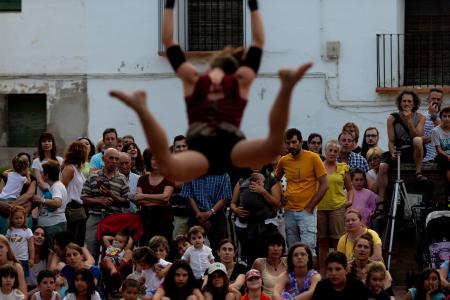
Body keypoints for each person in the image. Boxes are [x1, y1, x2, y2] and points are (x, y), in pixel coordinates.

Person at [111, 0, 313, 182]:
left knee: (271, 149)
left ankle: (141, 109)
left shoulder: (210, 80)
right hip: (218, 146)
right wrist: (253, 7)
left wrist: (170, 6)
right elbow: (259, 41)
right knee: (271, 148)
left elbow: (169, 40)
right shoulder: (224, 81)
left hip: (216, 145)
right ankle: (141, 108)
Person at [275, 128, 328, 253]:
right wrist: (281, 195)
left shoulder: (313, 158)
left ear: (300, 142)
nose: (291, 146)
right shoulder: (284, 160)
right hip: (289, 211)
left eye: (294, 142)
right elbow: (275, 180)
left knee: (308, 250)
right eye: (288, 143)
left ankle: (310, 273)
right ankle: (294, 273)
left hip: (307, 211)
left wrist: (311, 206)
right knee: (292, 250)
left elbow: (325, 185)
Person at [81, 147, 130, 259]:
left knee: (112, 252)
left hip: (114, 219)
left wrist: (112, 196)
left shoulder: (122, 178)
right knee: (90, 249)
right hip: (95, 217)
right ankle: (91, 273)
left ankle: (108, 271)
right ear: (103, 159)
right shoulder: (93, 176)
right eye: (111, 158)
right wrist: (100, 201)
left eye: (116, 159)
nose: (114, 161)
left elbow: (127, 202)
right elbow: (84, 198)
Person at [230, 165, 281, 265]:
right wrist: (236, 210)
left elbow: (277, 203)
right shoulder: (242, 180)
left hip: (266, 226)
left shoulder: (271, 179)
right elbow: (233, 203)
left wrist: (263, 191)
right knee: (248, 256)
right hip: (246, 226)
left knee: (266, 255)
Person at [317, 140, 353, 275]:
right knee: (322, 242)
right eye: (330, 150)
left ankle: (338, 270)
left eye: (335, 151)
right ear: (325, 152)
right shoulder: (318, 166)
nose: (332, 153)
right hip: (320, 207)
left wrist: (349, 201)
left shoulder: (343, 167)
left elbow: (350, 189)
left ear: (338, 153)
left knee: (337, 240)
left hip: (338, 207)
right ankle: (323, 273)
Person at [379, 89, 427, 184]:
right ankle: (382, 197)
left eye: (409, 101)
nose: (406, 103)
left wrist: (409, 120)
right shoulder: (392, 118)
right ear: (400, 103)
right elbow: (391, 141)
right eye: (404, 101)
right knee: (382, 166)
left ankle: (418, 172)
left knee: (417, 140)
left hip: (415, 150)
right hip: (399, 150)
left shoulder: (421, 117)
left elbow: (417, 136)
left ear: (414, 104)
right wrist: (392, 152)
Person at [182, 172, 232, 254]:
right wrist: (198, 214)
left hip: (217, 214)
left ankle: (218, 266)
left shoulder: (223, 174)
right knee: (193, 249)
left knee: (220, 248)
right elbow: (188, 195)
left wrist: (210, 213)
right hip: (196, 214)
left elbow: (225, 197)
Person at [136, 149, 174, 245]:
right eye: (153, 158)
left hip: (163, 221)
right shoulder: (142, 179)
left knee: (163, 249)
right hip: (146, 221)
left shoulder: (168, 178)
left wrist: (144, 196)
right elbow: (138, 200)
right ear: (149, 160)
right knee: (146, 249)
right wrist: (160, 200)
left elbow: (166, 197)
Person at [32, 160, 69, 247]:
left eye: (42, 172)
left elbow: (57, 203)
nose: (40, 174)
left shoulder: (56, 186)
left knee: (52, 251)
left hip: (54, 226)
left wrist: (42, 200)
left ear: (47, 175)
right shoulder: (53, 186)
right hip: (51, 226)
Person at [61, 141, 87, 247]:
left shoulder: (78, 169)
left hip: (80, 210)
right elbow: (62, 188)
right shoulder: (70, 169)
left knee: (79, 241)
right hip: (71, 209)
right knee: (72, 241)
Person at [32, 132, 64, 196]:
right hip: (44, 193)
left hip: (58, 193)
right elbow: (39, 181)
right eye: (44, 141)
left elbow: (62, 178)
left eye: (49, 141)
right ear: (40, 144)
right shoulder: (36, 161)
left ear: (53, 143)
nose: (46, 143)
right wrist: (48, 192)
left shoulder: (60, 160)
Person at [171, 135, 191, 238]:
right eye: (178, 147)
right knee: (178, 243)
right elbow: (176, 184)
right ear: (174, 149)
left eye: (184, 146)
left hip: (195, 213)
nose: (181, 149)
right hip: (178, 213)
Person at [5, 206, 34, 278]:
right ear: (12, 219)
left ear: (24, 218)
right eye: (16, 218)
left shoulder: (27, 231)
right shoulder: (10, 230)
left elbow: (31, 246)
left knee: (23, 278)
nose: (19, 220)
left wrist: (32, 258)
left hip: (23, 259)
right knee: (11, 277)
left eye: (21, 218)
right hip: (12, 259)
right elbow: (6, 244)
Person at [422, 88, 443, 163]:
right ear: (428, 99)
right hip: (425, 159)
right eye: (433, 99)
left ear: (441, 101)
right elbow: (417, 139)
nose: (436, 101)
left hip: (441, 159)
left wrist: (434, 115)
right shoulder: (421, 117)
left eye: (438, 99)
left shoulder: (446, 117)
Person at [432, 106, 450, 184]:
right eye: (444, 116)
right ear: (441, 118)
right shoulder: (436, 131)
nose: (447, 118)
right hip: (441, 155)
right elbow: (438, 149)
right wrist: (447, 155)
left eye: (449, 116)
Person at [27, 227, 49, 291]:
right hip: (26, 288)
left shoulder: (49, 254)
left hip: (43, 289)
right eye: (36, 234)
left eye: (43, 235)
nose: (40, 237)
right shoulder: (24, 253)